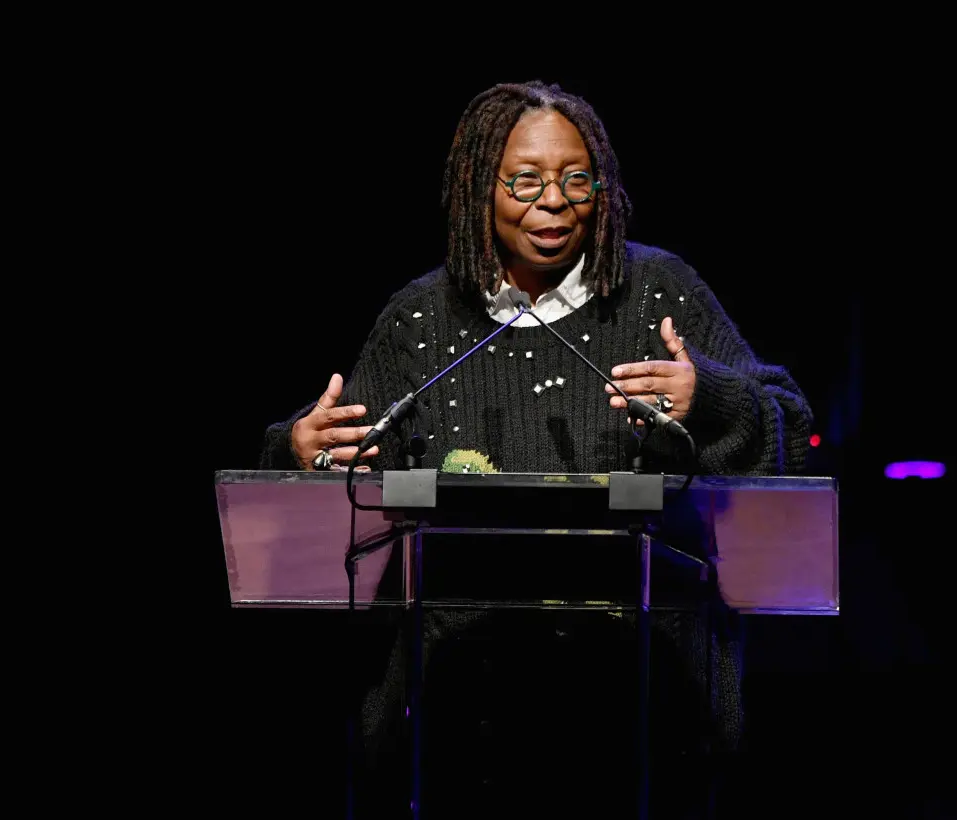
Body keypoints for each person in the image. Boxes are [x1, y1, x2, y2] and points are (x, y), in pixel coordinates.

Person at [260, 81, 813, 818]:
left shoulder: (657, 293)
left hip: (645, 714)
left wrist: (707, 398)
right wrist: (301, 452)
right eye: (525, 180)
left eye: (576, 179)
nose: (553, 201)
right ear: (476, 187)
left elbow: (793, 433)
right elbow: (347, 473)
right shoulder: (420, 320)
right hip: (461, 721)